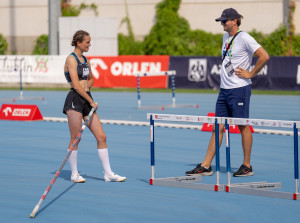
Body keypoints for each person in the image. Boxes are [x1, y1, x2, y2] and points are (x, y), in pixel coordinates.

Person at [186, 8, 269, 177]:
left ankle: (247, 166)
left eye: (224, 21)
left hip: (239, 89)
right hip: (224, 89)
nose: (222, 24)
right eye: (221, 21)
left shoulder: (245, 37)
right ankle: (206, 165)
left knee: (242, 125)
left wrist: (251, 73)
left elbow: (264, 56)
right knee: (218, 126)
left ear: (235, 21)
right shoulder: (225, 37)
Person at [63, 30, 126, 183]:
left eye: (90, 41)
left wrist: (87, 88)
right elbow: (76, 86)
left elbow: (91, 79)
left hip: (87, 98)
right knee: (76, 138)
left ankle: (108, 173)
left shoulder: (86, 60)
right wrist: (89, 99)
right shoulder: (71, 60)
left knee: (101, 137)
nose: (90, 44)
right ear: (79, 43)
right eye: (87, 42)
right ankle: (74, 174)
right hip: (75, 100)